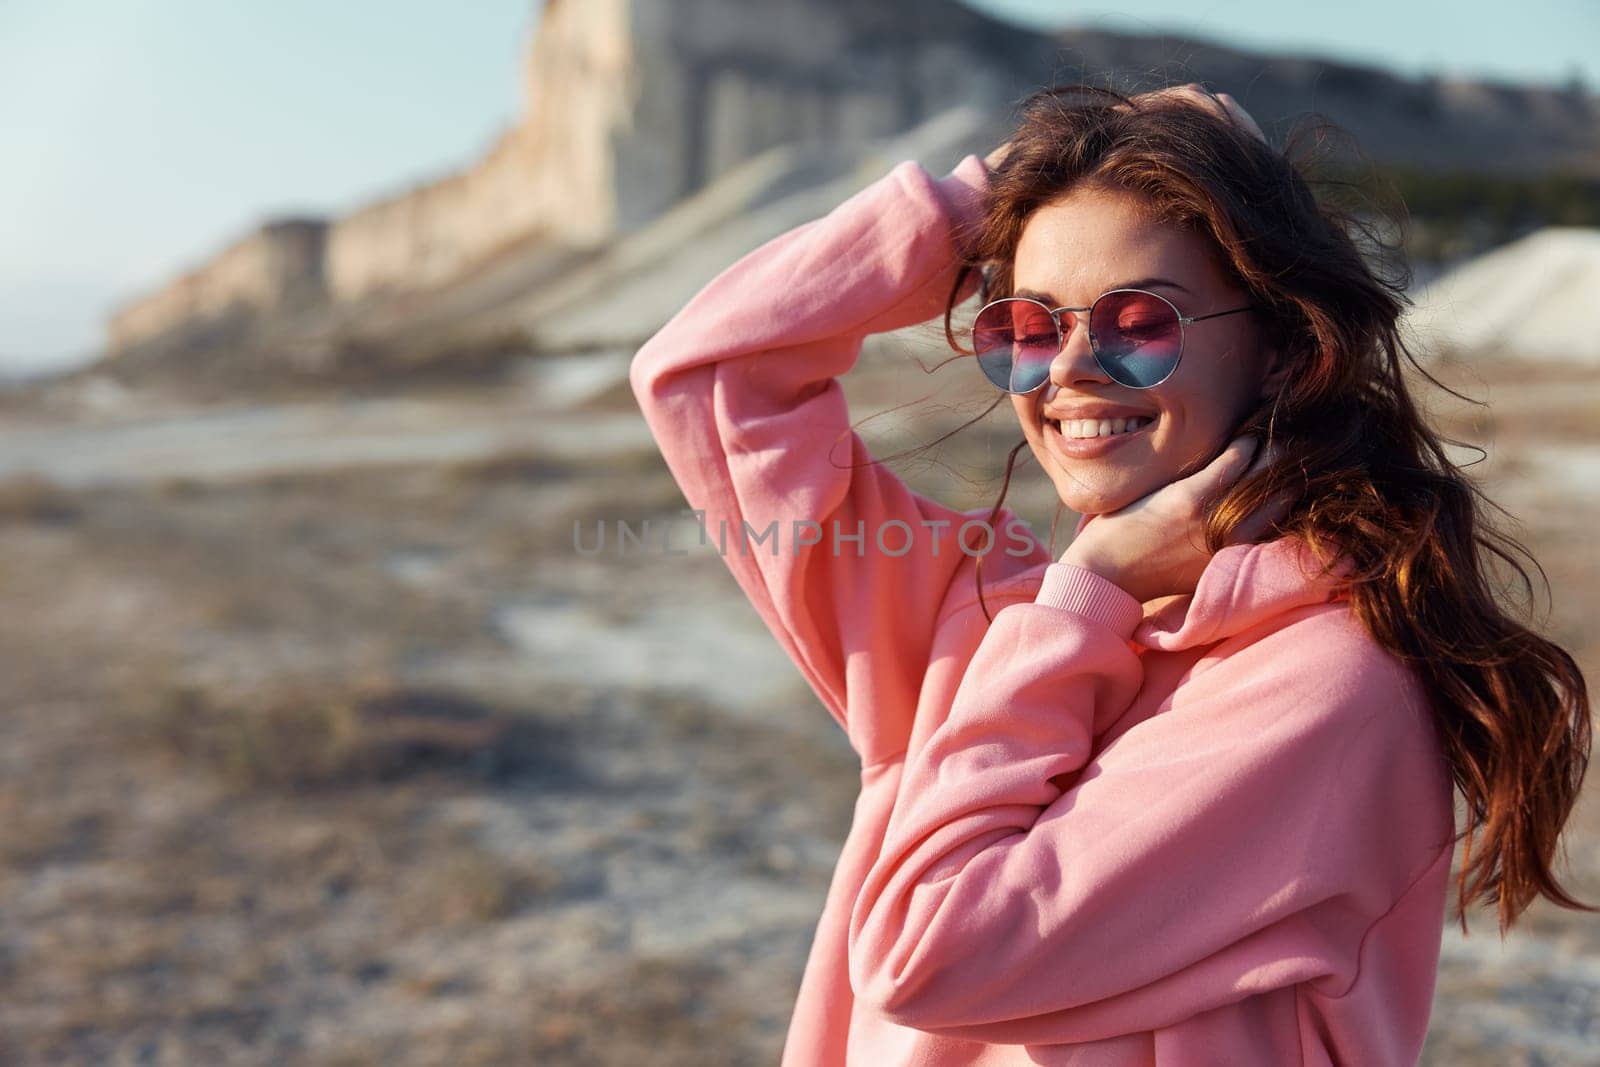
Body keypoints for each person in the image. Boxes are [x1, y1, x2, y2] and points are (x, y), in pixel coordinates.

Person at [627, 82, 1593, 1065]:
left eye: (1138, 322)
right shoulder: (976, 612)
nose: (1071, 367)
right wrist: (996, 190)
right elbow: (707, 373)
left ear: (1276, 352)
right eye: (1028, 328)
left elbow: (931, 953)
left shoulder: (1321, 687)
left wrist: (1087, 595)